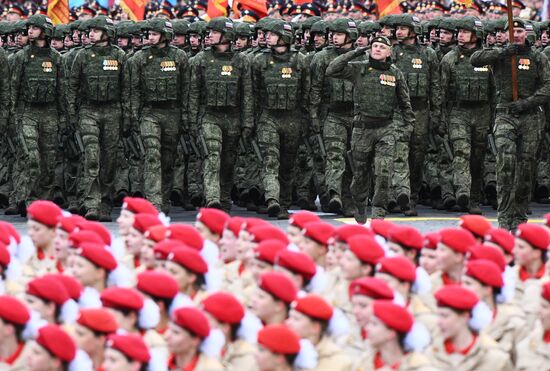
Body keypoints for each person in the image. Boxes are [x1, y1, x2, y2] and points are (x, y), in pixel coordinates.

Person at [471, 18, 550, 230]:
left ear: (527, 34)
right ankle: (504, 218)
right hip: (505, 115)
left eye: (520, 30)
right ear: (505, 35)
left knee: (526, 168)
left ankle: (520, 216)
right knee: (505, 165)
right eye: (511, 30)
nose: (516, 33)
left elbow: (547, 86)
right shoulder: (499, 55)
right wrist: (504, 52)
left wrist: (527, 103)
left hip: (530, 117)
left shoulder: (537, 57)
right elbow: (475, 59)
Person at [326, 35, 415, 223]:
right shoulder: (360, 68)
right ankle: (359, 203)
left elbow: (404, 102)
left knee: (383, 172)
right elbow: (332, 69)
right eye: (374, 46)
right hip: (362, 129)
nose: (377, 49)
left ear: (389, 52)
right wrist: (357, 51)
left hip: (386, 129)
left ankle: (378, 211)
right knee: (360, 173)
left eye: (382, 47)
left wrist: (407, 127)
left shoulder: (395, 73)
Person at [188, 17, 253, 212]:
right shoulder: (201, 59)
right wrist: (192, 121)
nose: (210, 36)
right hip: (210, 116)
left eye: (214, 32)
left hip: (233, 117)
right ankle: (212, 198)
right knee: (212, 157)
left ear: (227, 36)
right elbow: (194, 93)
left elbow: (247, 94)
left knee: (228, 161)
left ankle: (224, 199)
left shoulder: (242, 61)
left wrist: (247, 122)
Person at [66, 15, 127, 221]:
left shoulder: (119, 56)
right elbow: (72, 87)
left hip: (112, 112)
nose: (90, 34)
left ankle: (105, 202)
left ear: (106, 33)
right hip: (88, 111)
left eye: (95, 30)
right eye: (90, 30)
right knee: (92, 155)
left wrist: (127, 116)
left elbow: (126, 89)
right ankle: (91, 202)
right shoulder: (82, 56)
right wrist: (72, 116)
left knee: (109, 160)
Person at [129, 18, 189, 214]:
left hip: (172, 113)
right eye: (150, 34)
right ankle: (153, 201)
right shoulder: (139, 58)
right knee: (152, 155)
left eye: (154, 34)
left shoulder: (179, 57)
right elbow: (135, 90)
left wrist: (186, 116)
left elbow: (186, 89)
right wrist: (134, 116)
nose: (150, 38)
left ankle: (163, 199)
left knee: (168, 158)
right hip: (149, 113)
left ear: (165, 35)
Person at [251, 19, 309, 219]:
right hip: (269, 118)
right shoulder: (259, 60)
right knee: (270, 160)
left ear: (283, 37)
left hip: (293, 119)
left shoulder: (300, 60)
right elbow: (253, 94)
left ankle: (283, 203)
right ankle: (272, 199)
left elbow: (307, 92)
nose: (267, 38)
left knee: (287, 164)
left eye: (272, 34)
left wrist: (307, 121)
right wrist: (251, 121)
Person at [9, 14, 62, 216]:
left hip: (49, 113)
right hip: (27, 113)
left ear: (45, 31)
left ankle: (44, 200)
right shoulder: (21, 57)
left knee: (49, 160)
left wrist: (64, 118)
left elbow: (62, 91)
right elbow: (13, 88)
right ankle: (29, 200)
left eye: (34, 28)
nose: (30, 31)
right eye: (29, 27)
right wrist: (13, 115)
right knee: (32, 157)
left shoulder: (56, 58)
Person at [440, 16, 493, 215]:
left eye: (465, 32)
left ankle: (475, 199)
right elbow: (441, 93)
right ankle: (463, 192)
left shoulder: (486, 59)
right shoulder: (450, 59)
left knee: (478, 157)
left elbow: (494, 90)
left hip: (481, 113)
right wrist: (441, 119)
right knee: (461, 152)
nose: (460, 35)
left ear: (476, 35)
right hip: (458, 112)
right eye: (459, 32)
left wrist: (493, 117)